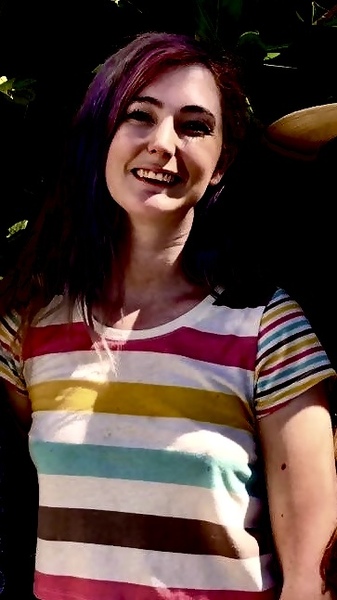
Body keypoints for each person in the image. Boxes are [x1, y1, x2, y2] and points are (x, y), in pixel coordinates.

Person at [0, 30, 336, 600]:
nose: (164, 143)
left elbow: (312, 578)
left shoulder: (268, 329)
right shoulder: (28, 323)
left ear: (222, 161)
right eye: (139, 115)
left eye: (195, 126)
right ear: (100, 134)